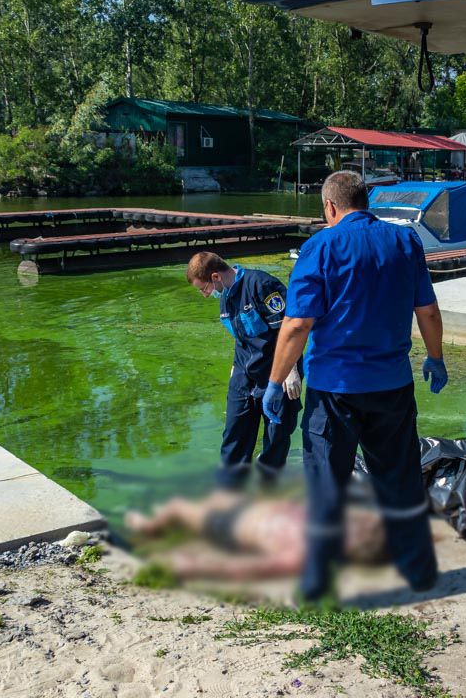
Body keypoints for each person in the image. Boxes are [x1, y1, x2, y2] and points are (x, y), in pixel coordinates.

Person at [262, 170, 449, 602]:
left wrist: (275, 382)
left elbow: (296, 325)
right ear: (366, 201)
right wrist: (435, 358)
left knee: (328, 482)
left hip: (334, 392)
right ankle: (416, 569)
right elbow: (429, 312)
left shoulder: (320, 246)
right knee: (398, 478)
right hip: (393, 387)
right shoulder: (406, 242)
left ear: (329, 206)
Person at [186, 252, 302, 489]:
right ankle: (230, 490)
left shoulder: (262, 285)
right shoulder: (226, 296)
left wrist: (290, 370)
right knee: (234, 435)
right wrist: (234, 368)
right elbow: (242, 337)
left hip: (277, 372)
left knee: (276, 435)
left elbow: (290, 330)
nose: (205, 294)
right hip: (243, 374)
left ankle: (268, 488)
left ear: (216, 276)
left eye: (204, 288)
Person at [124, 492, 388, 580]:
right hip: (249, 508)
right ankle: (166, 521)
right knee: (217, 497)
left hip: (231, 524)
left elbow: (245, 568)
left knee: (177, 506)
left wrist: (193, 566)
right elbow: (374, 522)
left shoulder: (301, 553)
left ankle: (149, 526)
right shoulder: (332, 524)